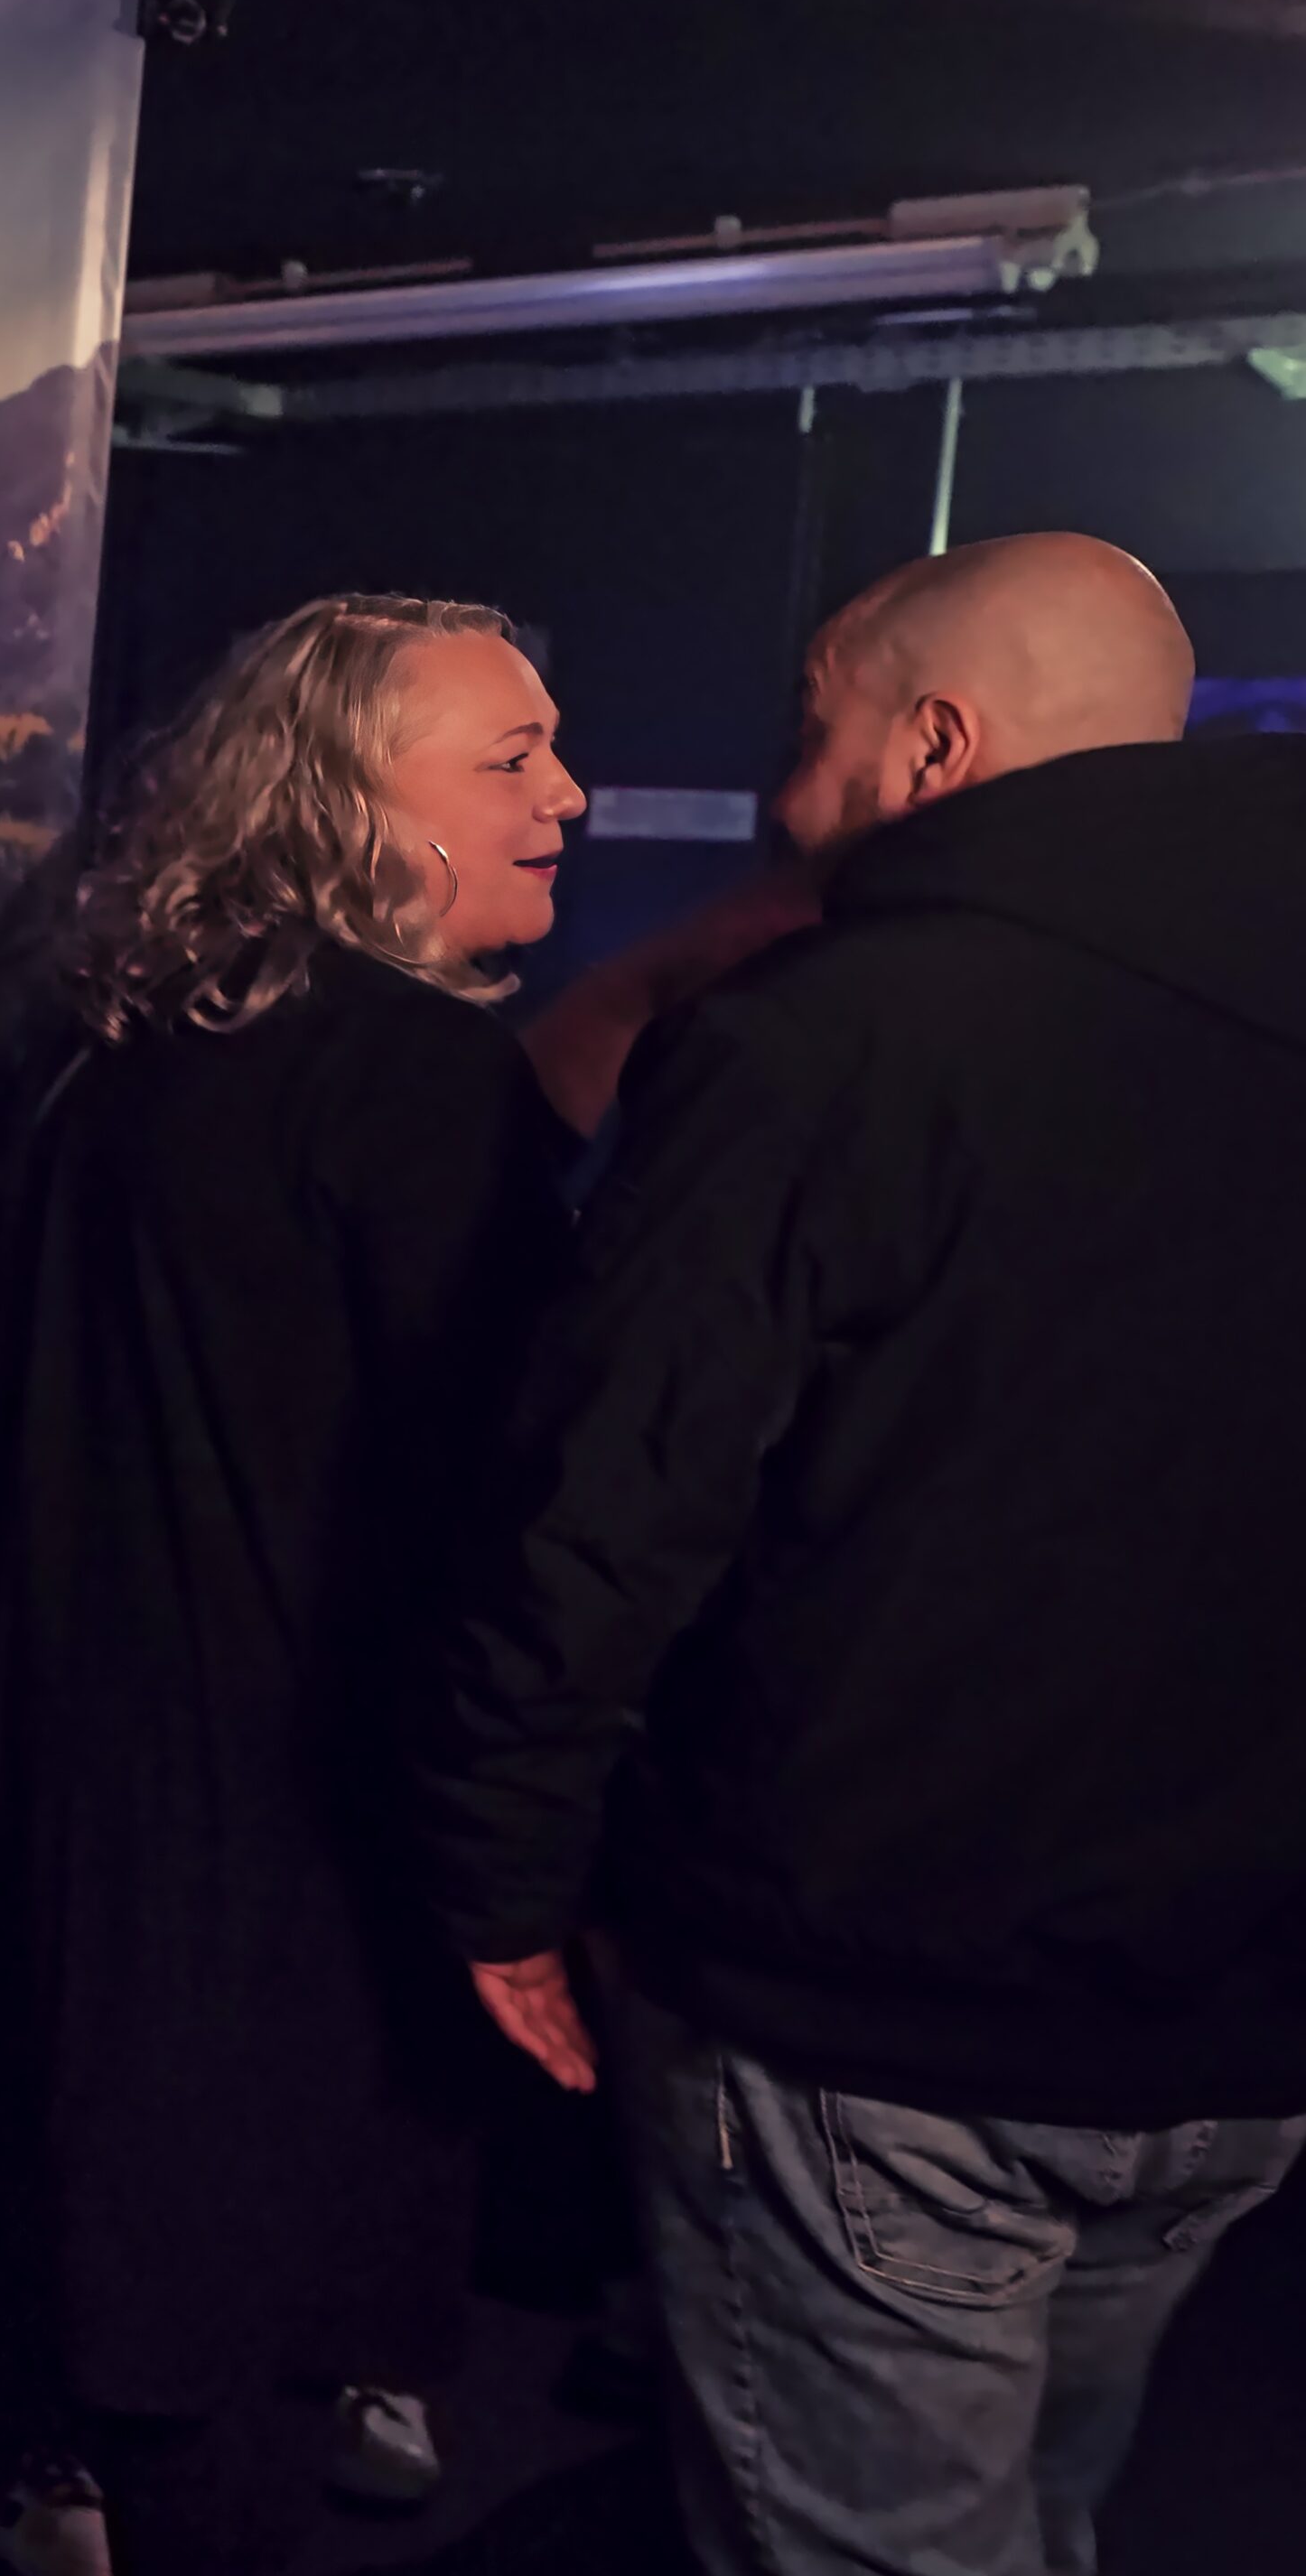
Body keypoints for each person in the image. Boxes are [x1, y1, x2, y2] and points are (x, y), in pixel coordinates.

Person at [418, 535, 1306, 2576]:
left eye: (808, 725)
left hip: (873, 2013)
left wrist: (501, 1869)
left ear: (933, 743)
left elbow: (612, 1499)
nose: (778, 778)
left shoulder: (829, 1038)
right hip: (1242, 2013)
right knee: (1046, 2511)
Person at [0, 595, 589, 2576]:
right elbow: (503, 1505)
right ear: (358, 803)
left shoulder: (134, 1052)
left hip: (90, 1781)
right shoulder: (419, 1083)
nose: (566, 796)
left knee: (129, 2288)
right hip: (290, 1821)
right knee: (238, 2349)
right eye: (510, 758)